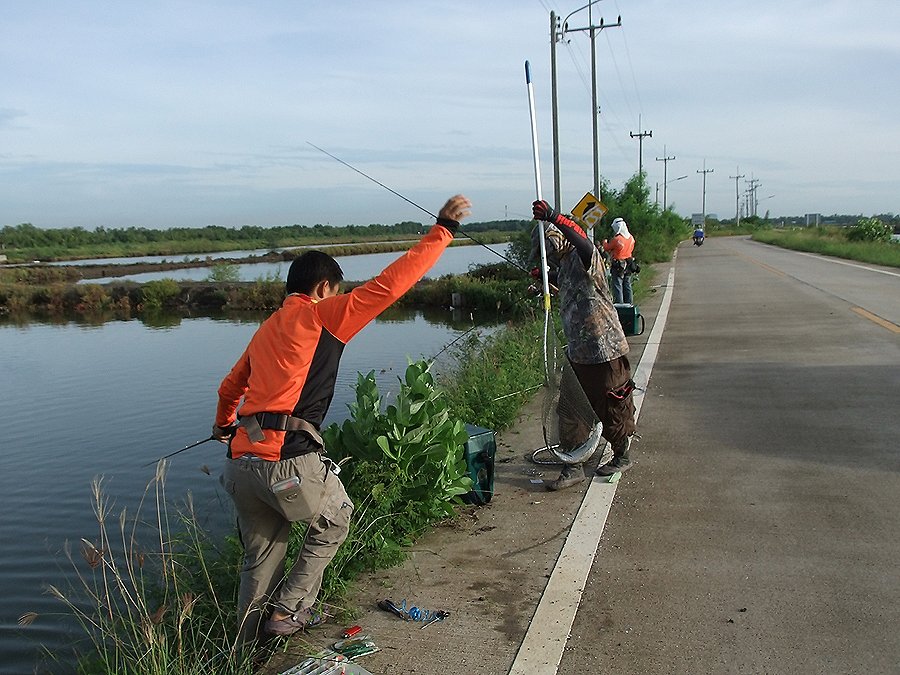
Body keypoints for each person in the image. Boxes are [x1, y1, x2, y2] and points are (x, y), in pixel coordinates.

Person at [212, 195, 472, 645]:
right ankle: (289, 612)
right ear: (322, 289)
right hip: (288, 466)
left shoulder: (266, 326)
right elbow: (392, 284)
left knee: (260, 561)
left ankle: (245, 651)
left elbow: (230, 388)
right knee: (334, 519)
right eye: (335, 289)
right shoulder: (322, 316)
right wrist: (443, 230)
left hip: (241, 467)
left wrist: (222, 425)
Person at [532, 200, 637, 490]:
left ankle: (621, 453)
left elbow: (583, 244)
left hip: (605, 347)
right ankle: (573, 465)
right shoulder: (565, 265)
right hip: (577, 351)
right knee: (570, 408)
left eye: (552, 242)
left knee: (612, 404)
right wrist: (545, 276)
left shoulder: (588, 256)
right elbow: (563, 279)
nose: (550, 250)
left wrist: (555, 217)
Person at [601, 217, 636, 304]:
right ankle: (629, 304)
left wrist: (604, 242)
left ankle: (620, 306)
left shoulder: (617, 239)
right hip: (628, 264)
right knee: (627, 285)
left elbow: (606, 247)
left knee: (617, 286)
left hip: (618, 265)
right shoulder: (631, 238)